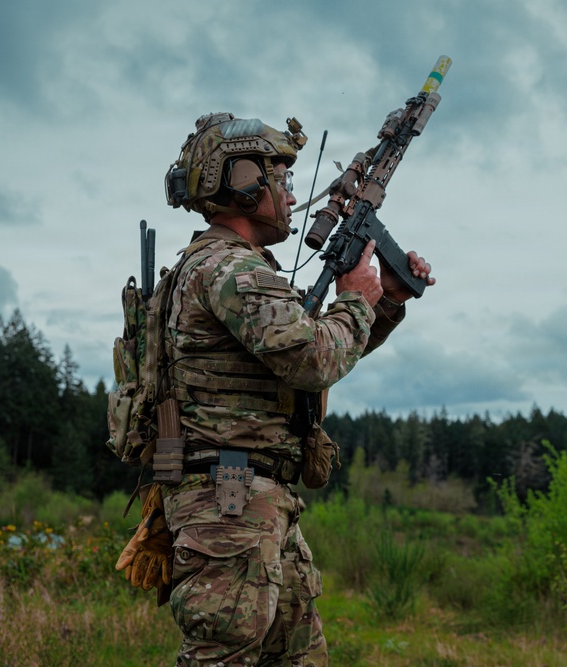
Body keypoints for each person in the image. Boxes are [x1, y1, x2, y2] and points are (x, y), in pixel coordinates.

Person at [151, 112, 434, 666]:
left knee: (297, 656)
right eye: (277, 177)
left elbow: (310, 353)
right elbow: (314, 358)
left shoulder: (236, 268)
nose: (288, 192)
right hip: (229, 501)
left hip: (252, 497)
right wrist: (357, 298)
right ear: (239, 182)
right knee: (223, 655)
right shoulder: (228, 269)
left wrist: (386, 300)